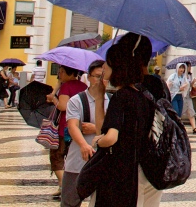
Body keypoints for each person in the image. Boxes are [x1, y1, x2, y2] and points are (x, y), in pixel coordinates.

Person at [95, 33, 160, 207]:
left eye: (107, 63)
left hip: (124, 172)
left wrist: (99, 140)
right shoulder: (148, 92)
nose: (103, 67)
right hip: (148, 166)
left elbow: (109, 135)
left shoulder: (123, 96)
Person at [61, 59, 109, 207]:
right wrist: (83, 145)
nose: (99, 81)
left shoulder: (112, 100)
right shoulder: (77, 100)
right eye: (96, 76)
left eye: (103, 77)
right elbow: (73, 126)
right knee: (70, 202)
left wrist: (94, 128)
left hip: (102, 161)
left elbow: (114, 129)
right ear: (88, 77)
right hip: (77, 160)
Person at [46, 65, 87, 197]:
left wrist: (53, 99)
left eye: (61, 72)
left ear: (67, 72)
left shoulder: (66, 86)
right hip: (79, 127)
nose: (59, 74)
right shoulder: (83, 86)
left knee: (57, 157)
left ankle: (64, 185)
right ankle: (63, 186)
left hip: (65, 127)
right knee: (71, 158)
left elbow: (63, 106)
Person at [167, 63, 196, 133]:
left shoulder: (183, 77)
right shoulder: (173, 76)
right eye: (180, 68)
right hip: (174, 96)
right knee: (175, 111)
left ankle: (177, 128)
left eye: (183, 68)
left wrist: (185, 86)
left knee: (179, 113)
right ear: (177, 68)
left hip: (181, 96)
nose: (181, 70)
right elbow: (168, 84)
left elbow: (187, 85)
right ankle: (173, 128)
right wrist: (172, 86)